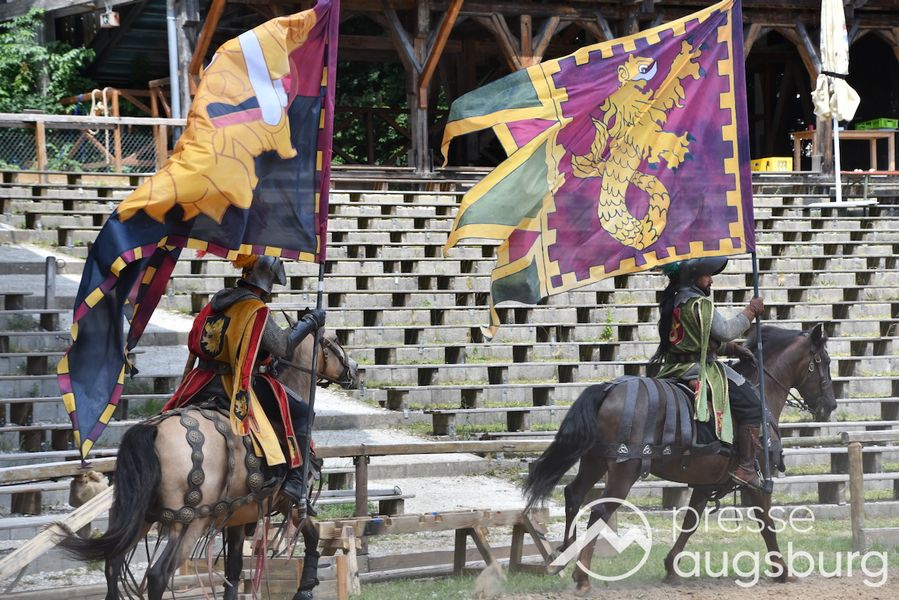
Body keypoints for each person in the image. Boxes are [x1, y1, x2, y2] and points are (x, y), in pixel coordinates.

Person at [163, 254, 325, 514]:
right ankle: (296, 482)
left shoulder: (216, 302)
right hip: (234, 381)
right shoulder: (254, 308)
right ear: (268, 282)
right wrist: (310, 322)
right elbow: (282, 346)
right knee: (303, 413)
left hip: (201, 381)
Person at [649, 257, 766, 490]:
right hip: (699, 369)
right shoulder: (700, 304)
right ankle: (746, 467)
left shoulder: (674, 302)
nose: (711, 280)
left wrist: (733, 349)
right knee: (753, 406)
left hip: (672, 368)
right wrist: (751, 310)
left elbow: (697, 340)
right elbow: (726, 331)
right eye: (707, 275)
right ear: (694, 278)